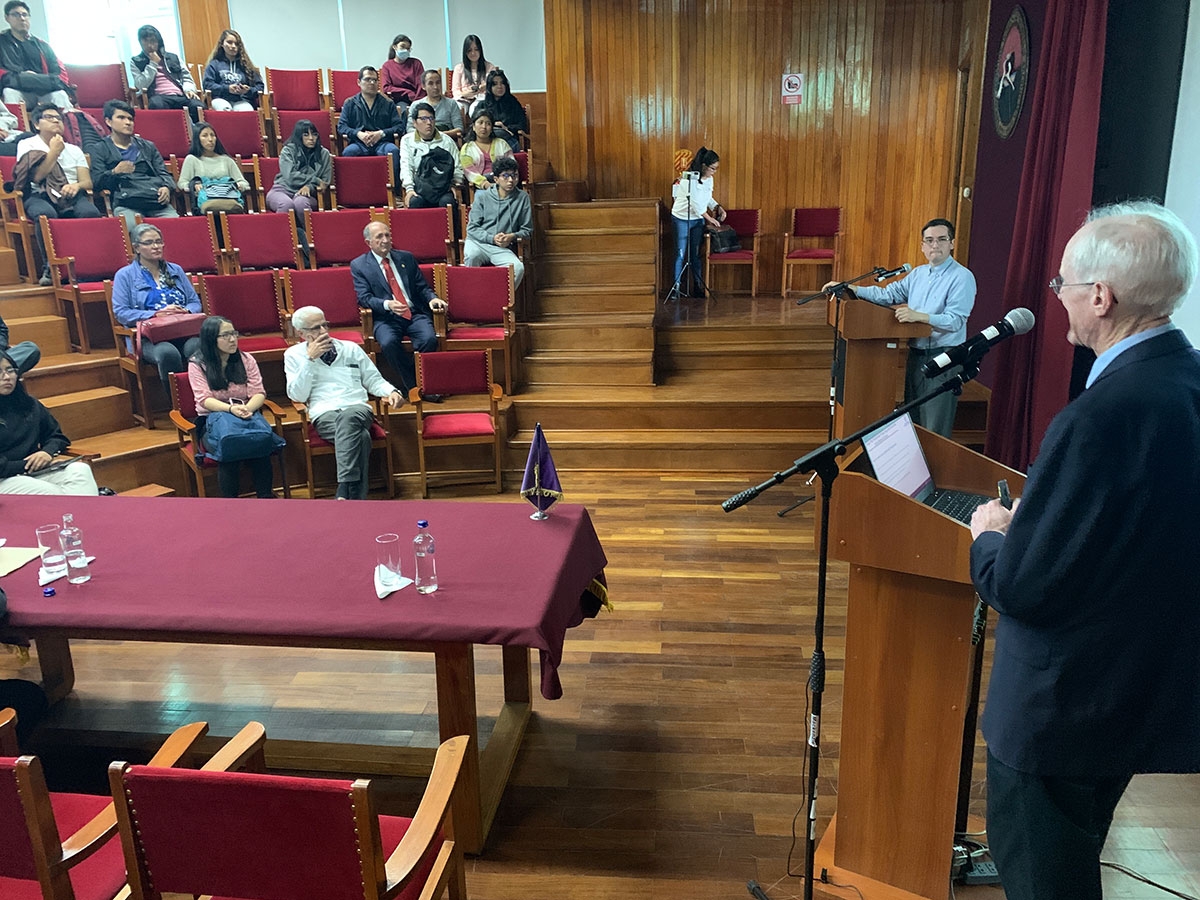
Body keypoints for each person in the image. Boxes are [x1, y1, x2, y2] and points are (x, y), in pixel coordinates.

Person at [968, 201, 1200, 900]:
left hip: (1061, 709)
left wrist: (989, 536)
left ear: (1100, 296)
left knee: (1045, 881)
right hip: (1132, 691)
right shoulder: (1184, 383)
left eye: (1062, 283)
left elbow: (1026, 588)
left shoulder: (1102, 417)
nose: (1058, 297)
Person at [827, 217, 975, 437]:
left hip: (944, 357)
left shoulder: (962, 277)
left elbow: (955, 321)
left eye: (942, 239)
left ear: (952, 243)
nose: (936, 245)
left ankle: (934, 472)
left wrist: (920, 317)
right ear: (923, 246)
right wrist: (853, 288)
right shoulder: (918, 274)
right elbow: (888, 295)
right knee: (913, 422)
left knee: (935, 428)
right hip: (915, 355)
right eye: (930, 240)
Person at [284, 305, 403, 500]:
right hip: (324, 413)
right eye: (315, 328)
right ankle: (354, 496)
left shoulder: (350, 348)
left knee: (349, 417)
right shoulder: (293, 356)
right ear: (301, 333)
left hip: (357, 408)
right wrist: (309, 360)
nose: (323, 331)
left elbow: (373, 380)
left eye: (324, 325)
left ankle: (344, 488)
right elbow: (297, 394)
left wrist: (391, 391)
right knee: (362, 437)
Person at [350, 220, 446, 397]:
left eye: (387, 235)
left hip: (414, 313)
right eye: (379, 237)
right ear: (368, 242)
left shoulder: (406, 258)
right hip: (385, 317)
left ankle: (426, 384)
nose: (385, 240)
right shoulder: (359, 265)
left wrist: (432, 299)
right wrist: (387, 305)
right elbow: (364, 298)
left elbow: (421, 287)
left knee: (429, 339)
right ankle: (414, 387)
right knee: (388, 343)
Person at [188, 315, 277, 499]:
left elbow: (258, 392)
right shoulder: (198, 364)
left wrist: (248, 409)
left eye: (234, 333)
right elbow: (204, 399)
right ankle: (231, 505)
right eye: (225, 335)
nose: (232, 339)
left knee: (260, 447)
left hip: (246, 416)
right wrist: (231, 409)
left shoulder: (245, 359)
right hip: (212, 421)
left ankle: (266, 499)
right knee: (229, 449)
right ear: (211, 339)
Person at [14, 103, 100, 283]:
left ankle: (87, 265)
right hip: (39, 194)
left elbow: (87, 181)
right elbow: (36, 177)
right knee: (46, 214)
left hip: (70, 195)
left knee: (90, 212)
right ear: (37, 124)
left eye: (58, 118)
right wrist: (54, 152)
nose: (55, 121)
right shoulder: (27, 144)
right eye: (49, 117)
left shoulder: (74, 149)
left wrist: (76, 186)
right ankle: (50, 269)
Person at [111, 223, 202, 393]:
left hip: (181, 330)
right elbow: (121, 313)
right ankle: (181, 406)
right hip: (148, 337)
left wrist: (187, 311)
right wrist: (155, 314)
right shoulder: (125, 275)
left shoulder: (176, 270)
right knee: (167, 353)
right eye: (149, 242)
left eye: (159, 242)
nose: (156, 246)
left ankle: (206, 401)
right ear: (137, 248)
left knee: (197, 347)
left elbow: (194, 302)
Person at [0, 349, 99, 495]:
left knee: (80, 470)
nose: (7, 377)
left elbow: (57, 437)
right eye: (0, 372)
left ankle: (82, 516)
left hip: (35, 471)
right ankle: (82, 515)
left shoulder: (29, 404)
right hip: (5, 478)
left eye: (10, 370)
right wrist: (30, 465)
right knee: (53, 492)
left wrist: (47, 452)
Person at [89, 99, 178, 228]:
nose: (127, 122)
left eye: (130, 119)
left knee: (176, 225)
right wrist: (115, 172)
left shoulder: (148, 146)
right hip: (126, 203)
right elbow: (96, 182)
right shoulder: (99, 149)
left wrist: (166, 187)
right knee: (132, 229)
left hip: (154, 200)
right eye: (121, 118)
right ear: (108, 121)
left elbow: (164, 173)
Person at [463, 155, 530, 287]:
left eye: (514, 175)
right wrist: (492, 238)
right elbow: (472, 228)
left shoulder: (523, 198)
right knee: (472, 256)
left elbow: (527, 230)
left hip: (502, 246)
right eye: (505, 176)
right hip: (479, 243)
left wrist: (513, 236)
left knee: (518, 268)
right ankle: (475, 296)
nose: (511, 180)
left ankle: (500, 300)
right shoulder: (482, 197)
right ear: (496, 179)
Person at [669, 147, 724, 298]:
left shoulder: (709, 179)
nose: (714, 172)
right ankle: (676, 288)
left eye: (716, 169)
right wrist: (710, 218)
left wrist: (717, 207)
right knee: (680, 253)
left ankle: (698, 287)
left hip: (697, 220)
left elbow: (706, 199)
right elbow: (695, 203)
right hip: (681, 218)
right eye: (712, 168)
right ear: (704, 166)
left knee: (695, 254)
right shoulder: (688, 178)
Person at [0, 1, 69, 111]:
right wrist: (28, 77)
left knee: (60, 95)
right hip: (19, 92)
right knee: (9, 92)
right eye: (16, 14)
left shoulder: (43, 45)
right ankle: (15, 128)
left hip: (44, 92)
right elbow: (3, 76)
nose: (22, 18)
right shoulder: (2, 42)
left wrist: (28, 78)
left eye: (24, 14)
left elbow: (60, 77)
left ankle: (69, 128)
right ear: (7, 18)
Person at [130, 24, 203, 123]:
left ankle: (196, 135)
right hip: (158, 96)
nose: (149, 45)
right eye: (145, 41)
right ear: (140, 42)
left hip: (180, 95)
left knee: (198, 106)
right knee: (157, 104)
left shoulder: (173, 57)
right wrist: (153, 63)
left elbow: (187, 78)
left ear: (159, 42)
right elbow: (140, 84)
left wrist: (189, 90)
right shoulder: (136, 61)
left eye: (152, 41)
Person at [337, 66, 405, 168]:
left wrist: (381, 134)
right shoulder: (350, 103)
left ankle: (394, 184)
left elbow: (399, 127)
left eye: (375, 80)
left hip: (382, 142)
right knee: (349, 152)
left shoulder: (388, 103)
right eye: (368, 79)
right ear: (359, 82)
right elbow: (341, 127)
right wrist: (358, 134)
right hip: (359, 143)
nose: (372, 83)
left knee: (393, 151)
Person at [398, 100, 462, 209]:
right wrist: (409, 189)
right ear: (414, 122)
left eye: (431, 118)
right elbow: (406, 166)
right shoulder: (407, 140)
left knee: (448, 202)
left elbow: (458, 167)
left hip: (443, 188)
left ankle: (452, 227)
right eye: (423, 119)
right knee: (415, 202)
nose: (429, 123)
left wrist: (454, 184)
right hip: (419, 188)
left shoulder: (446, 141)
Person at [177, 122, 249, 214]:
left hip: (228, 200)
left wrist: (239, 185)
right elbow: (182, 183)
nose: (210, 139)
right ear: (197, 139)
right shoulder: (192, 159)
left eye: (212, 135)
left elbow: (243, 182)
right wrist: (194, 186)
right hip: (204, 202)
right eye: (205, 136)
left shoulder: (226, 160)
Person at [266, 118, 331, 218]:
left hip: (307, 194)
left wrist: (309, 187)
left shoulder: (324, 154)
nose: (311, 138)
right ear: (299, 136)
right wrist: (315, 180)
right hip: (282, 190)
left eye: (314, 134)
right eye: (306, 135)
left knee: (301, 204)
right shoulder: (287, 151)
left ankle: (308, 233)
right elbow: (290, 177)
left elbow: (324, 182)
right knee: (286, 205)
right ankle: (284, 234)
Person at [202, 29, 263, 112]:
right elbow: (207, 85)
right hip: (220, 99)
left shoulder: (247, 66)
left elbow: (260, 87)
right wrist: (227, 89)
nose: (234, 46)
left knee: (246, 111)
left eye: (237, 44)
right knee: (225, 109)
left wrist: (248, 90)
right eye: (229, 42)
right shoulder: (214, 64)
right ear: (222, 44)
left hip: (242, 100)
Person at [474, 69, 526, 153]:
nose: (500, 86)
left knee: (501, 149)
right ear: (489, 87)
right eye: (495, 84)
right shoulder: (482, 105)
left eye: (502, 83)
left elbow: (522, 124)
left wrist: (506, 128)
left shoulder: (513, 103)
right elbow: (474, 126)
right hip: (487, 139)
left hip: (508, 139)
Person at [459, 108, 510, 188]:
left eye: (488, 124)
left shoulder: (502, 144)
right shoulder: (467, 149)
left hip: (503, 183)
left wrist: (502, 182)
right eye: (480, 123)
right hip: (481, 187)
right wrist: (485, 184)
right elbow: (469, 172)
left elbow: (511, 166)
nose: (484, 127)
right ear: (473, 127)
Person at [408, 68, 462, 142]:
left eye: (438, 83)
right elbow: (410, 129)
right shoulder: (416, 105)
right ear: (423, 86)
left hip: (445, 141)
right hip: (422, 142)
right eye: (430, 83)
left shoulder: (451, 104)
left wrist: (438, 134)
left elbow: (459, 129)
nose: (435, 87)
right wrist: (426, 135)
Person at [451, 34, 496, 117]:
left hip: (482, 99)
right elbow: (455, 91)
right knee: (455, 108)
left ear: (480, 50)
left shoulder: (489, 67)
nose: (473, 53)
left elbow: (494, 84)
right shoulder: (459, 68)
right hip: (464, 99)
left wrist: (483, 87)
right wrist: (466, 94)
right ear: (465, 52)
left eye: (476, 49)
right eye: (469, 50)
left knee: (476, 109)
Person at [380, 33, 424, 110]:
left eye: (408, 48)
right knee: (403, 110)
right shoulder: (387, 66)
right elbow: (386, 88)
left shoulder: (416, 63)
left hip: (418, 98)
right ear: (395, 47)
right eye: (402, 47)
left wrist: (417, 101)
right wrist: (407, 92)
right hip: (400, 100)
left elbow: (421, 85)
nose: (405, 50)